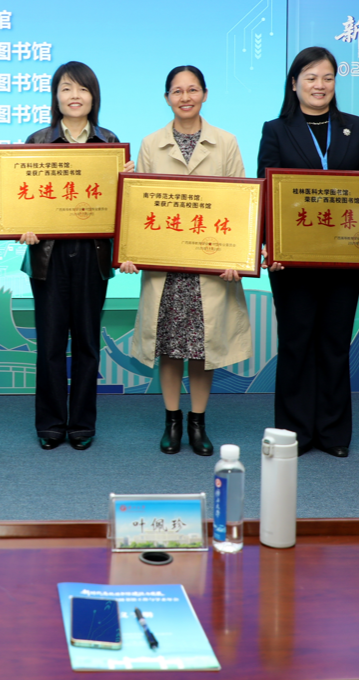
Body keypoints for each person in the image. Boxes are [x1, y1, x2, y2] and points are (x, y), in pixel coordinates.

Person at [120, 65, 252, 456]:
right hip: (167, 266)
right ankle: (172, 420)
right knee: (170, 346)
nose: (185, 97)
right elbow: (139, 207)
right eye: (177, 91)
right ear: (167, 99)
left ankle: (198, 422)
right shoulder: (150, 143)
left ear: (205, 95)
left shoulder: (226, 142)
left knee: (202, 348)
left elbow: (242, 204)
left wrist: (238, 256)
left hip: (210, 267)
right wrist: (129, 252)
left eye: (192, 90)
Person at [257, 47, 359, 458]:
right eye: (310, 77)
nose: (319, 85)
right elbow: (266, 190)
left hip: (345, 255)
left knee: (335, 342)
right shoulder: (276, 130)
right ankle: (294, 432)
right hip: (292, 258)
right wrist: (270, 245)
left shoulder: (355, 128)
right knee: (296, 342)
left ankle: (333, 433)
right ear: (294, 84)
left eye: (327, 77)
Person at [19, 62, 133, 451]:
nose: (74, 96)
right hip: (47, 255)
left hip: (92, 254)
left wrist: (128, 181)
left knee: (86, 342)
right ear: (55, 96)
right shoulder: (36, 141)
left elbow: (122, 208)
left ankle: (82, 423)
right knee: (51, 343)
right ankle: (51, 423)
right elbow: (21, 197)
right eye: (66, 88)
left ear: (93, 97)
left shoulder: (110, 142)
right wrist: (23, 226)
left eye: (83, 89)